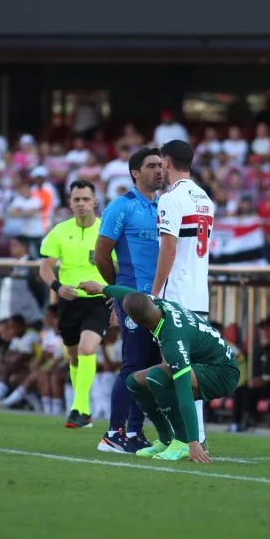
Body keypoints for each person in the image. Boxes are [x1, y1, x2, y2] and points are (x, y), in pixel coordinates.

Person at [77, 281, 239, 463]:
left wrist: (194, 442)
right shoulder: (156, 305)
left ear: (136, 322)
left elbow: (185, 393)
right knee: (134, 382)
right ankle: (165, 439)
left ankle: (182, 441)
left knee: (156, 378)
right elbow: (131, 294)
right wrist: (101, 288)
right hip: (205, 365)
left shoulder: (173, 341)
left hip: (222, 373)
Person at [94, 147, 163, 453]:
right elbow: (101, 254)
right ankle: (113, 432)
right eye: (152, 166)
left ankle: (134, 433)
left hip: (158, 299)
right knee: (133, 363)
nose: (159, 171)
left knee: (148, 365)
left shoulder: (164, 206)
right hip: (133, 297)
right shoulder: (120, 207)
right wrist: (118, 290)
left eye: (161, 165)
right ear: (136, 172)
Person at [152, 139, 216, 448]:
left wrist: (154, 293)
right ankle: (198, 437)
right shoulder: (205, 198)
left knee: (175, 370)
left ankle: (183, 439)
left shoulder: (170, 198)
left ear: (166, 162)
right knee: (192, 372)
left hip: (176, 296)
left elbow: (169, 248)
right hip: (199, 297)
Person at [37, 180, 111, 429]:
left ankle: (80, 409)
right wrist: (58, 288)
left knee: (87, 349)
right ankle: (84, 413)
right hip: (69, 302)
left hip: (98, 300)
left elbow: (121, 268)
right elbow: (45, 267)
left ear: (95, 202)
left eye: (85, 199)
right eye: (76, 199)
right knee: (74, 357)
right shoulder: (59, 231)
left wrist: (115, 298)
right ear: (70, 202)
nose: (81, 204)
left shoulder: (106, 230)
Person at [229, 317, 270, 432]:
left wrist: (264, 380)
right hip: (259, 386)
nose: (265, 332)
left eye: (269, 329)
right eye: (263, 329)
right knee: (241, 389)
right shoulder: (257, 350)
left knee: (251, 391)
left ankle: (248, 419)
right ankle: (235, 422)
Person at [0, 235, 45, 330]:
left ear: (24, 247)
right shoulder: (11, 266)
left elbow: (40, 290)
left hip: (30, 318)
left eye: (14, 245)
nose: (11, 248)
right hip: (13, 319)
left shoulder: (33, 264)